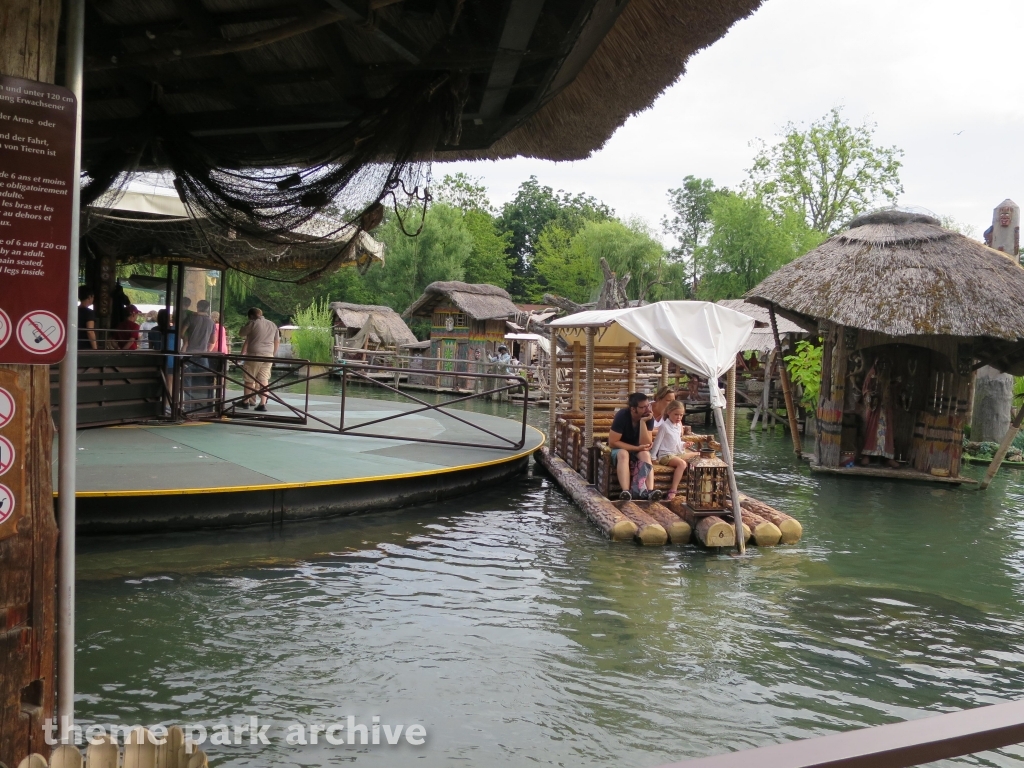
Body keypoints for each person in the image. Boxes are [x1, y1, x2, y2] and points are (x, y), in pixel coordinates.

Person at [608, 392, 663, 501]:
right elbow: (613, 442)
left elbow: (646, 444)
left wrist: (643, 422)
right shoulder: (622, 416)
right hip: (619, 449)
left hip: (638, 449)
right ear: (633, 409)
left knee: (646, 454)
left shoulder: (648, 418)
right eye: (643, 407)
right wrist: (636, 448)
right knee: (623, 454)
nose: (647, 409)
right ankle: (626, 491)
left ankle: (650, 491)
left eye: (648, 405)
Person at [650, 400, 697, 501]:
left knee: (698, 455)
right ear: (669, 412)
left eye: (681, 415)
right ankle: (673, 490)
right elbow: (657, 442)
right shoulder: (664, 426)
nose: (679, 417)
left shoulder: (678, 426)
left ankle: (694, 487)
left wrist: (684, 444)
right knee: (682, 464)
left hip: (676, 454)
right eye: (676, 414)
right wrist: (653, 457)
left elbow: (677, 442)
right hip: (665, 456)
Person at [238, 307, 279, 411]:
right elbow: (277, 341)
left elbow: (241, 333)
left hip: (255, 354)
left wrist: (247, 324)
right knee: (264, 380)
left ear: (251, 316)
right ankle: (262, 404)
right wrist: (272, 354)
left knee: (249, 378)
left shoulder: (253, 323)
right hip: (268, 355)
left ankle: (246, 401)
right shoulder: (273, 324)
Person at [77, 286, 97, 350]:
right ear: (89, 297)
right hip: (85, 346)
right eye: (93, 297)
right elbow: (90, 332)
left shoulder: (73, 311)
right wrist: (95, 349)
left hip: (74, 343)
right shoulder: (89, 313)